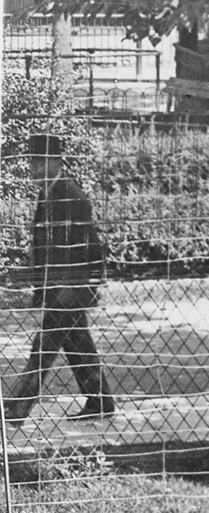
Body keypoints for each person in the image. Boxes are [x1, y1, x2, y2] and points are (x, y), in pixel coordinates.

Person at [4, 131, 113, 423]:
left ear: (55, 161)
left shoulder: (69, 194)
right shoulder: (49, 192)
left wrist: (83, 285)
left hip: (70, 289)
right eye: (31, 162)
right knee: (78, 344)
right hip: (58, 288)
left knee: (43, 347)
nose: (33, 169)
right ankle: (100, 401)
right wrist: (42, 286)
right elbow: (45, 248)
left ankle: (15, 409)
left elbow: (88, 245)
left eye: (39, 162)